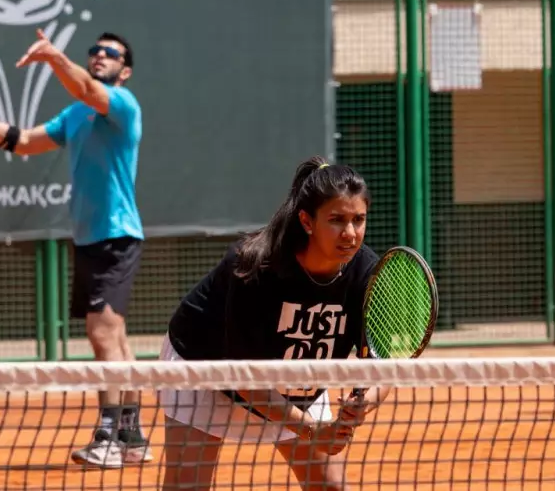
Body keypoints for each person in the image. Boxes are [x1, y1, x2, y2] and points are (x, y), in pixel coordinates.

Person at [0, 30, 151, 469]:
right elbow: (21, 141)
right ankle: (132, 437)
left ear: (125, 70)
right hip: (90, 238)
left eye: (110, 53)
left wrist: (54, 57)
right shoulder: (75, 114)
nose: (100, 56)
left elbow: (86, 88)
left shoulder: (123, 104)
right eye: (95, 51)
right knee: (115, 338)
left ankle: (108, 437)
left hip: (116, 234)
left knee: (102, 335)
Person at [157, 155, 391, 491]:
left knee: (331, 487)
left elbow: (382, 365)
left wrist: (367, 399)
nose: (350, 233)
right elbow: (244, 378)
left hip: (295, 378)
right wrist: (311, 429)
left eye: (359, 219)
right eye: (336, 220)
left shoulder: (367, 274)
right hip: (207, 369)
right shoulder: (256, 266)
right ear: (307, 221)